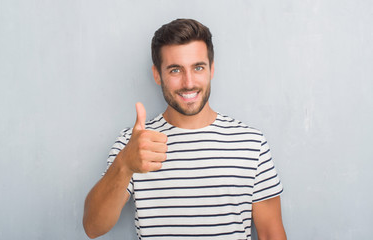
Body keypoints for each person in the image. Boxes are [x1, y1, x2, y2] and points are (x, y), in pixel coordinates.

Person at [83, 18, 286, 240]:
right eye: (175, 70)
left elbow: (270, 233)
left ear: (211, 69)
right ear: (157, 74)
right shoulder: (135, 144)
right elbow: (93, 227)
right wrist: (124, 164)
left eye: (198, 67)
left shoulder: (251, 144)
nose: (188, 82)